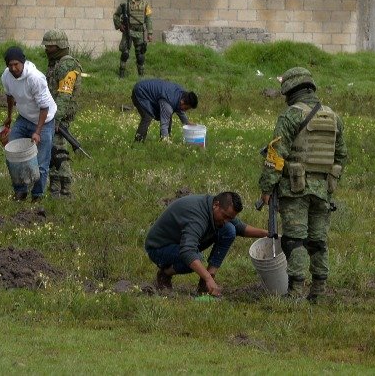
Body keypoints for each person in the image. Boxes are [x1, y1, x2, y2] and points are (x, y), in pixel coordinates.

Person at [259, 67, 348, 301]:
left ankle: (295, 291)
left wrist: (267, 188)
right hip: (323, 192)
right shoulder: (333, 116)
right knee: (318, 241)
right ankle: (318, 291)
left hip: (295, 189)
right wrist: (330, 183)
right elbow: (341, 156)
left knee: (294, 240)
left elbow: (276, 155)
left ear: (289, 90)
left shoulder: (291, 116)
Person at [145, 192, 268, 296]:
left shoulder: (214, 207)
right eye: (225, 216)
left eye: (230, 218)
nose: (226, 221)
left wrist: (266, 234)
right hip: (159, 249)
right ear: (216, 205)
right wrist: (206, 277)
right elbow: (188, 252)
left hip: (179, 243)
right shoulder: (197, 217)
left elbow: (240, 228)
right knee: (194, 259)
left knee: (229, 230)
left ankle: (205, 284)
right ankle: (164, 274)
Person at [1, 46, 57, 201]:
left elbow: (44, 107)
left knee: (41, 161)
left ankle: (37, 196)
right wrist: (9, 117)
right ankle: (20, 191)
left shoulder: (35, 78)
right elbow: (9, 96)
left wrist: (37, 132)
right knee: (12, 153)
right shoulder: (6, 76)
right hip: (24, 117)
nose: (13, 68)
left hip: (44, 120)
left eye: (16, 64)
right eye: (10, 65)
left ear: (22, 62)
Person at [42, 29, 83, 198]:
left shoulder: (67, 65)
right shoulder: (56, 63)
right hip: (52, 114)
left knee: (58, 150)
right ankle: (55, 186)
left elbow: (65, 95)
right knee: (51, 149)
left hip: (60, 115)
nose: (46, 50)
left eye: (50, 46)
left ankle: (65, 188)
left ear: (59, 46)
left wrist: (56, 119)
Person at [131, 78, 198, 142]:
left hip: (150, 92)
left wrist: (187, 123)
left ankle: (164, 139)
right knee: (147, 116)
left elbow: (179, 109)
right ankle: (138, 142)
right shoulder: (168, 104)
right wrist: (165, 139)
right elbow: (164, 124)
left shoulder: (182, 95)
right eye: (186, 108)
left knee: (168, 116)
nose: (185, 110)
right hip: (140, 92)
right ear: (182, 102)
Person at [113, 0, 153, 78]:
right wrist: (119, 25)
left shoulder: (145, 4)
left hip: (139, 32)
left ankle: (141, 76)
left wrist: (150, 33)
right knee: (125, 53)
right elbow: (116, 15)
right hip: (128, 31)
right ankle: (121, 74)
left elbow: (148, 19)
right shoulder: (125, 4)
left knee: (140, 56)